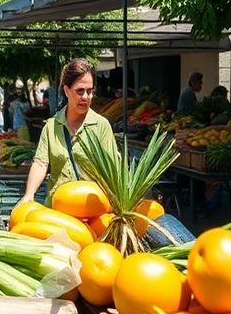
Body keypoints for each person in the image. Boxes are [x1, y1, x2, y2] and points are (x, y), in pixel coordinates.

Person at [19, 59, 192, 247]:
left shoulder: (101, 126)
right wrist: (29, 195)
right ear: (66, 90)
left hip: (94, 217)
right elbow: (40, 163)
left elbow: (113, 171)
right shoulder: (52, 126)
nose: (86, 97)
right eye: (79, 91)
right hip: (59, 215)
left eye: (90, 91)